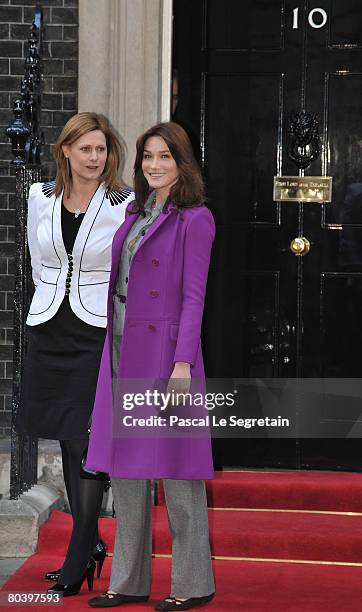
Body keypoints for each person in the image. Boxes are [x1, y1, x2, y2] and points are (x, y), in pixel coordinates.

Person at [86, 121, 216, 610]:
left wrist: (182, 362)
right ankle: (129, 580)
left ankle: (192, 583)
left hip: (166, 355)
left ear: (182, 163)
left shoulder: (195, 218)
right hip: (121, 347)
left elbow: (193, 296)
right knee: (128, 470)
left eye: (165, 157)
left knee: (179, 471)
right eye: (147, 157)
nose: (155, 165)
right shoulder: (134, 213)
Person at [16, 112, 134, 596]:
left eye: (101, 150)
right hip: (49, 328)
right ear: (65, 150)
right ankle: (87, 549)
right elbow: (36, 257)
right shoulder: (39, 197)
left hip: (94, 332)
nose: (94, 158)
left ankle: (81, 550)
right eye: (85, 149)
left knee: (86, 441)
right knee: (66, 438)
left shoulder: (124, 202)